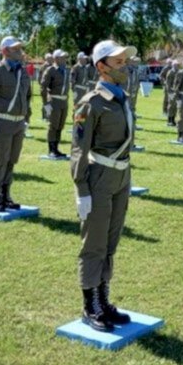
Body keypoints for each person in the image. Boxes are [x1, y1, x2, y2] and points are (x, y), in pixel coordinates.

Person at [70, 39, 137, 332]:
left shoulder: (123, 97)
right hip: (98, 178)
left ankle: (103, 299)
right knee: (94, 244)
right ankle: (90, 306)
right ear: (101, 66)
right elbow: (78, 150)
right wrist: (81, 189)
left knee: (110, 242)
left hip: (121, 176)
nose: (125, 67)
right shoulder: (91, 103)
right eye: (119, 62)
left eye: (125, 61)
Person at [0, 36, 32, 211]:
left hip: (18, 123)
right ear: (5, 51)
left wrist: (26, 120)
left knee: (11, 160)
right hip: (2, 122)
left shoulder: (22, 72)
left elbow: (27, 97)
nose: (20, 52)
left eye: (20, 48)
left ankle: (6, 194)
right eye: (15, 49)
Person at [40, 48, 70, 158]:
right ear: (56, 59)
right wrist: (46, 103)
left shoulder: (66, 70)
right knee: (53, 125)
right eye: (62, 57)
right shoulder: (50, 70)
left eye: (64, 57)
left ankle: (56, 148)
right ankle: (51, 149)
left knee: (60, 126)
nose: (64, 59)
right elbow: (43, 87)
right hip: (54, 100)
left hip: (64, 101)